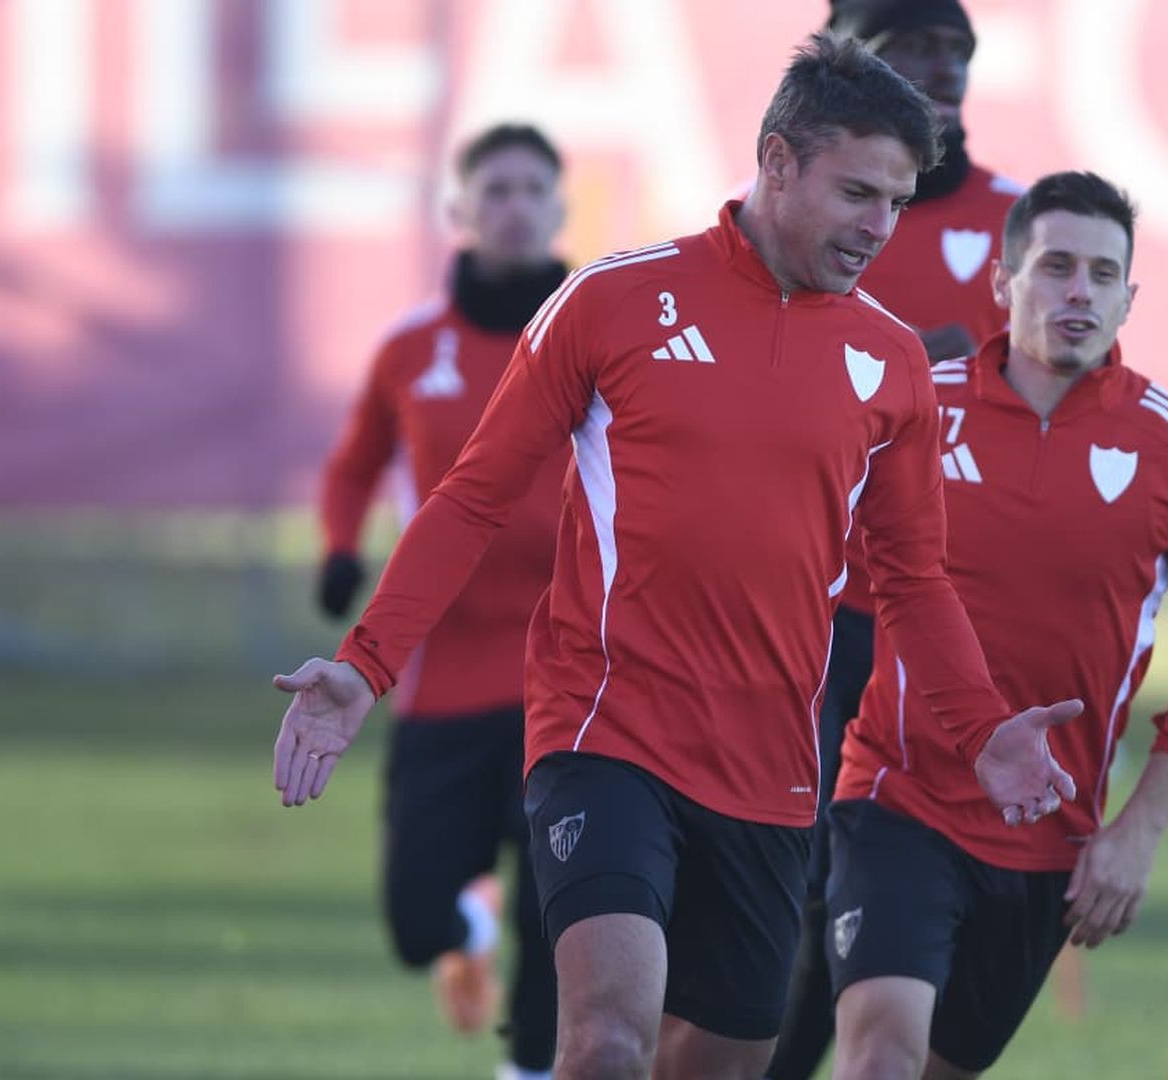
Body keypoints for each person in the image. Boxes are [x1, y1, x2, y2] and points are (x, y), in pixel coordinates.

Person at [271, 34, 1082, 1080]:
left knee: (726, 1061)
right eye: (857, 193)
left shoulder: (892, 362)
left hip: (773, 771)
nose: (880, 227)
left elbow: (912, 580)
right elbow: (472, 497)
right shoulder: (613, 303)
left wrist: (981, 733)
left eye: (896, 199)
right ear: (776, 161)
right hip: (607, 733)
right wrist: (365, 665)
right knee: (607, 1043)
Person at [821, 171, 1168, 1078]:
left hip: (1052, 837)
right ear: (1002, 280)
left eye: (1104, 275)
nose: (1079, 292)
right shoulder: (912, 408)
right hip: (896, 798)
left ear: (1129, 297)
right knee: (879, 1060)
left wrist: (1136, 834)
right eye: (1056, 267)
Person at [768, 4, 1026, 1072]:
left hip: (944, 621)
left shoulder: (1024, 224)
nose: (943, 69)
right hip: (810, 609)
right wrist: (912, 357)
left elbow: (1068, 397)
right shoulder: (802, 216)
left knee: (878, 883)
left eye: (956, 49)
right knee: (792, 869)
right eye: (913, 47)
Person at [314, 123, 570, 1079]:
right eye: (494, 188)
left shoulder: (604, 339)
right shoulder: (411, 348)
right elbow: (351, 466)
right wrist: (340, 552)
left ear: (559, 207)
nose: (514, 205)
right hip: (445, 678)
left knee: (560, 906)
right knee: (413, 923)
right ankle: (468, 926)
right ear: (458, 211)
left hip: (570, 677)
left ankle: (530, 1065)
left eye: (532, 188)